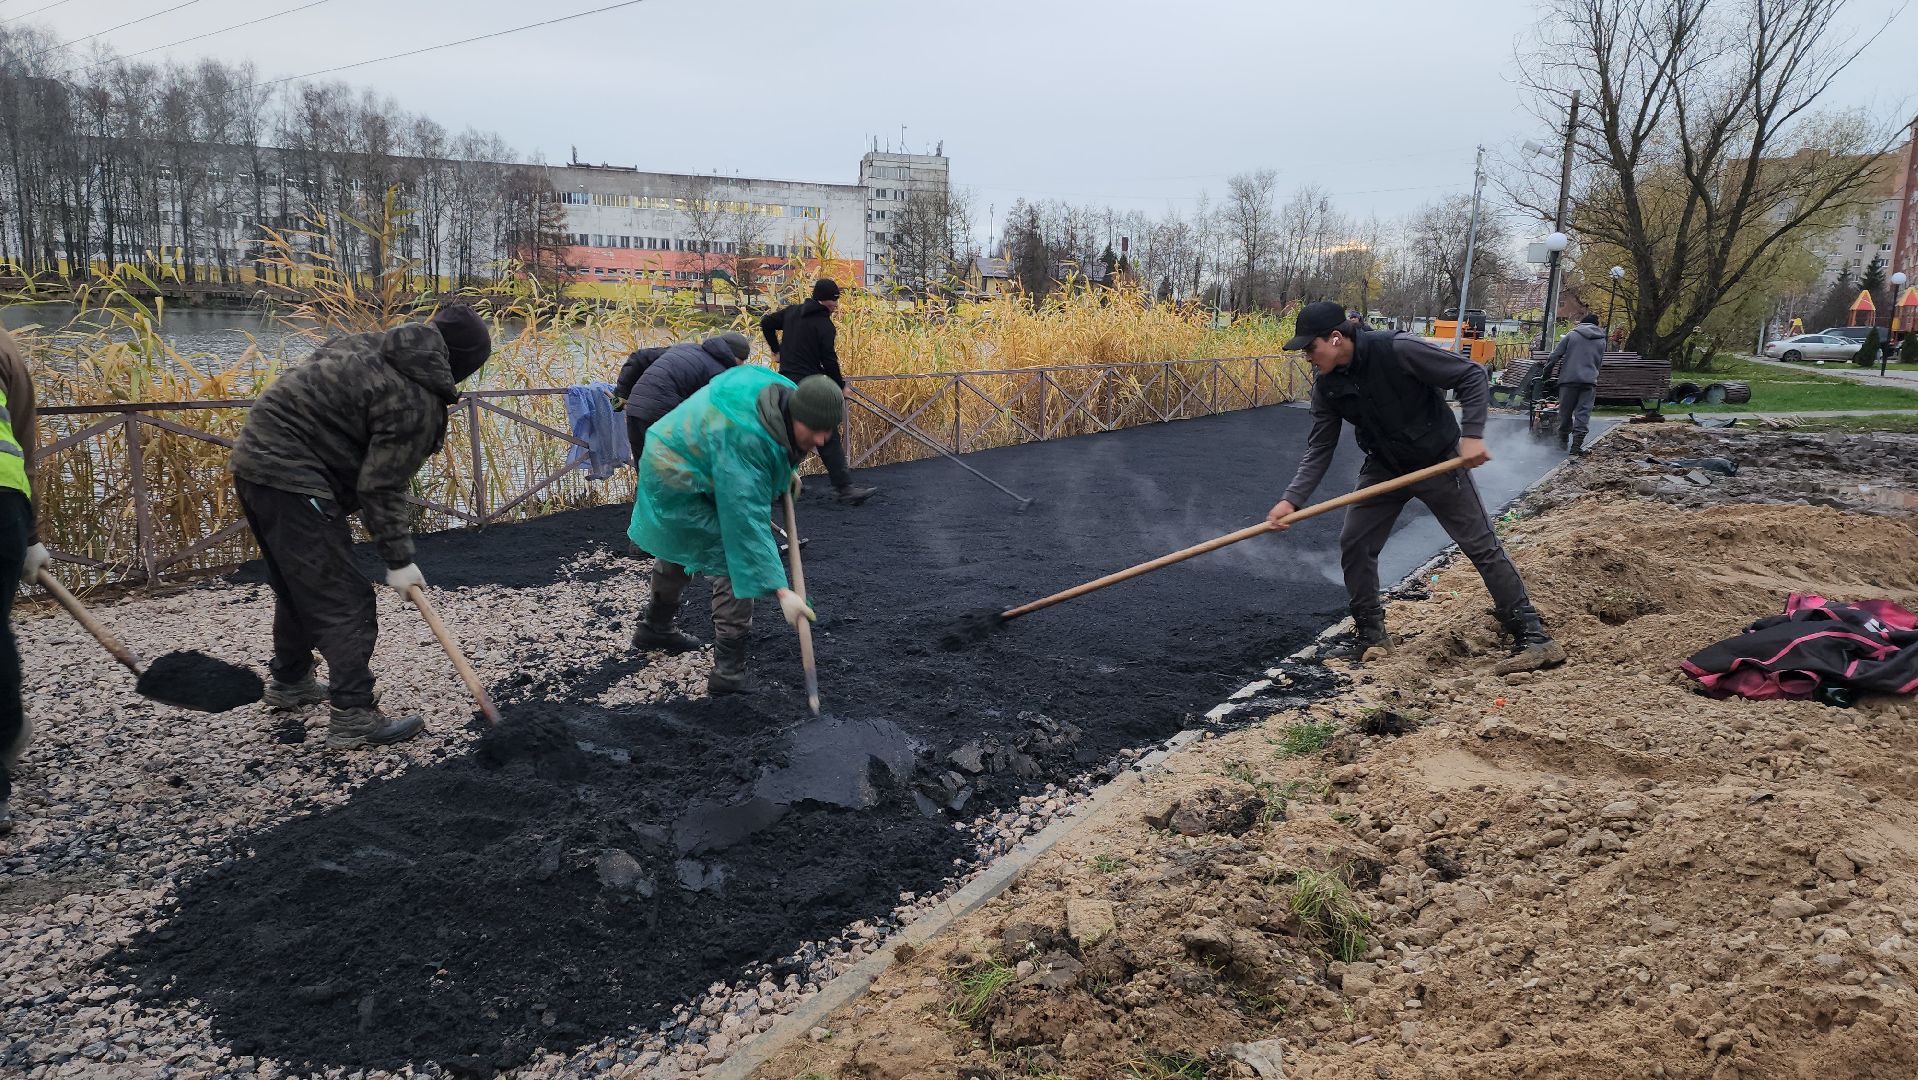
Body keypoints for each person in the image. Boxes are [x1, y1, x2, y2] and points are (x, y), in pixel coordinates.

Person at [227, 304, 491, 750]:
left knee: (299, 583)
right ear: (462, 362)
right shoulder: (415, 398)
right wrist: (399, 560)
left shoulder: (370, 343)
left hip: (253, 461)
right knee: (344, 597)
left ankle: (291, 681)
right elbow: (381, 485)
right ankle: (353, 714)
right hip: (294, 477)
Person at [1265, 301, 1565, 675]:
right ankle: (1372, 637)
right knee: (1355, 543)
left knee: (1480, 545)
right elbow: (1319, 447)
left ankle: (1534, 638)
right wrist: (1291, 500)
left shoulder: (1398, 349)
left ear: (1336, 338)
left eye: (1310, 347)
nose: (1307, 356)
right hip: (1385, 467)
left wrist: (1471, 436)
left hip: (1439, 462)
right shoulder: (1327, 386)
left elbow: (1472, 376)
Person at [627, 367, 833, 694]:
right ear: (796, 415)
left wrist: (782, 472)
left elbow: (774, 449)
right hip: (674, 470)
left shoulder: (786, 394)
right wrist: (782, 591)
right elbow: (746, 524)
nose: (822, 441)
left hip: (703, 456)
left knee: (686, 544)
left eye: (829, 432)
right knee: (730, 558)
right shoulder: (747, 438)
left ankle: (655, 625)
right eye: (816, 431)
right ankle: (729, 672)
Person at [759, 278, 878, 504]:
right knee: (827, 433)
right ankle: (844, 489)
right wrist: (840, 385)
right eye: (835, 300)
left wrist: (777, 351)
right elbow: (829, 360)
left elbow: (766, 322)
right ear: (827, 300)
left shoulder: (793, 312)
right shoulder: (824, 326)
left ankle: (778, 484)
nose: (837, 305)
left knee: (784, 434)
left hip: (783, 385)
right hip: (808, 387)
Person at [0, 325, 40, 833]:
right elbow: (25, 438)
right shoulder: (3, 341)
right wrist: (30, 533)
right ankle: (6, 732)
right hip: (4, 502)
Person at [618, 333, 750, 456]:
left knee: (645, 472)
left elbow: (638, 357)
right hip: (662, 417)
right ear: (734, 356)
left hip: (634, 410)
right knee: (671, 473)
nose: (741, 366)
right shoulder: (720, 373)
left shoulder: (685, 348)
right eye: (742, 360)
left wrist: (620, 396)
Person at [1546, 313, 1605, 455]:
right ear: (1596, 325)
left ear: (1582, 323)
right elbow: (1599, 362)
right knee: (1583, 412)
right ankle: (1576, 446)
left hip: (1569, 380)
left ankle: (1562, 442)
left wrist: (1547, 372)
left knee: (1565, 412)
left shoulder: (1572, 335)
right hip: (1589, 381)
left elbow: (1555, 355)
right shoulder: (1602, 339)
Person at [611, 344, 671, 462]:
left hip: (646, 413)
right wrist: (618, 397)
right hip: (651, 415)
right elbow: (638, 357)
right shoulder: (685, 354)